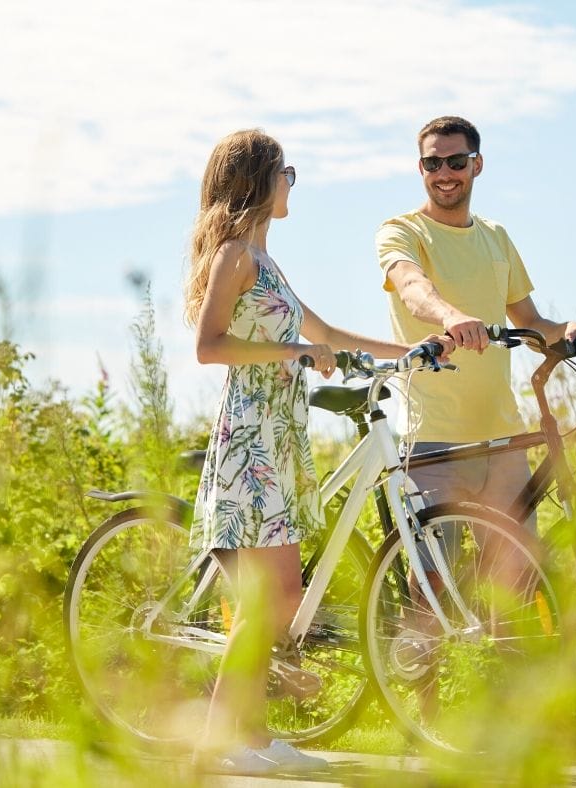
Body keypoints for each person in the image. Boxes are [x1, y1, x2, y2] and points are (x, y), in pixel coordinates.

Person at [185, 129, 451, 775]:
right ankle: (217, 742)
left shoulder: (265, 261)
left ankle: (252, 733)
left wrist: (415, 349)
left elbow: (326, 332)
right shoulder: (233, 256)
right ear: (258, 179)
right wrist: (294, 352)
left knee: (277, 595)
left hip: (279, 434)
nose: (291, 184)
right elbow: (208, 346)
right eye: (287, 172)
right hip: (251, 437)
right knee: (271, 598)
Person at [376, 115, 576, 551]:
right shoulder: (402, 231)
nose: (444, 173)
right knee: (435, 585)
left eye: (456, 161)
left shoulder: (496, 237)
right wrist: (450, 316)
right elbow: (411, 288)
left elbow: (532, 322)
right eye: (432, 163)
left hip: (501, 438)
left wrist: (572, 330)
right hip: (431, 439)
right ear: (420, 168)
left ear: (477, 165)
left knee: (516, 580)